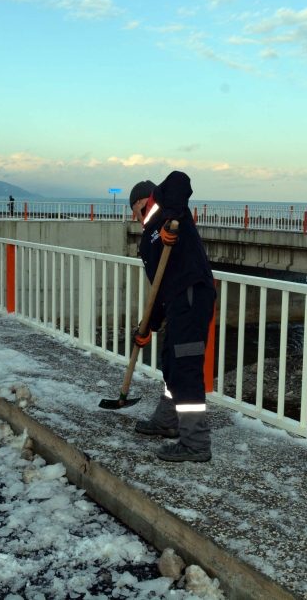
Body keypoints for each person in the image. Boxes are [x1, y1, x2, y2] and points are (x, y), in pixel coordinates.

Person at [129, 171, 216, 463]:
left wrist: (170, 219)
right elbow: (157, 291)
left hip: (191, 294)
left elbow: (180, 178)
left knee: (187, 364)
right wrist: (146, 327)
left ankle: (195, 442)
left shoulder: (165, 204)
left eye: (134, 210)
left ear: (141, 202)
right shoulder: (147, 245)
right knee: (171, 361)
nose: (135, 217)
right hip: (175, 301)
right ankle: (167, 420)